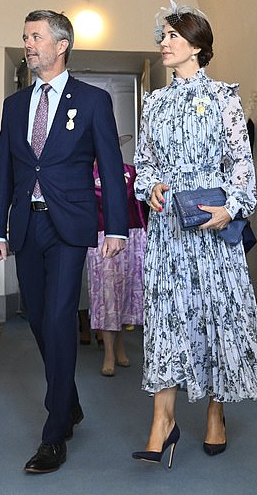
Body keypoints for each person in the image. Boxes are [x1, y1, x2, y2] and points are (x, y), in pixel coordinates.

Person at [132, 1, 257, 467]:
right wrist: (149, 185)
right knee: (166, 320)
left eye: (172, 36)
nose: (164, 43)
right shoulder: (153, 102)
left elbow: (241, 166)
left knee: (215, 319)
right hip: (167, 233)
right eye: (162, 36)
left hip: (213, 229)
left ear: (196, 46)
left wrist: (230, 208)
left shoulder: (223, 97)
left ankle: (216, 410)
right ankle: (163, 421)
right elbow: (146, 164)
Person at [0, 10, 128, 474]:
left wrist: (116, 228)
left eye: (35, 37)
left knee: (61, 315)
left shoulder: (91, 101)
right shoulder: (14, 105)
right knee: (38, 319)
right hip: (27, 225)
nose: (28, 44)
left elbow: (110, 164)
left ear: (61, 44)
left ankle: (53, 433)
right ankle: (68, 400)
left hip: (71, 226)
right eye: (24, 37)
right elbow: (5, 171)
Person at [87, 134, 147, 377]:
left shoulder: (132, 173)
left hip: (131, 236)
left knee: (124, 295)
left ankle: (121, 344)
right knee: (107, 294)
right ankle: (109, 352)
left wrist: (145, 235)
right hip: (101, 238)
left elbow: (141, 205)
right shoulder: (87, 175)